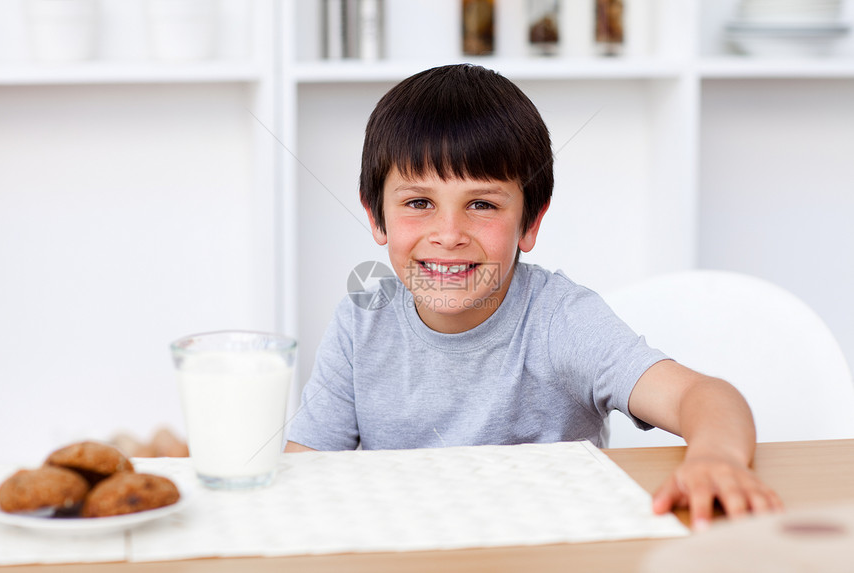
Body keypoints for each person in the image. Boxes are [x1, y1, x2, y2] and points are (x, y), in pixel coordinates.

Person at [285, 63, 783, 529]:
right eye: (419, 203)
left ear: (530, 223)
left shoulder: (560, 320)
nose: (449, 233)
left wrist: (714, 456)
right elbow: (303, 475)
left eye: (482, 204)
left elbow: (706, 396)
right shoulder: (360, 323)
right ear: (376, 217)